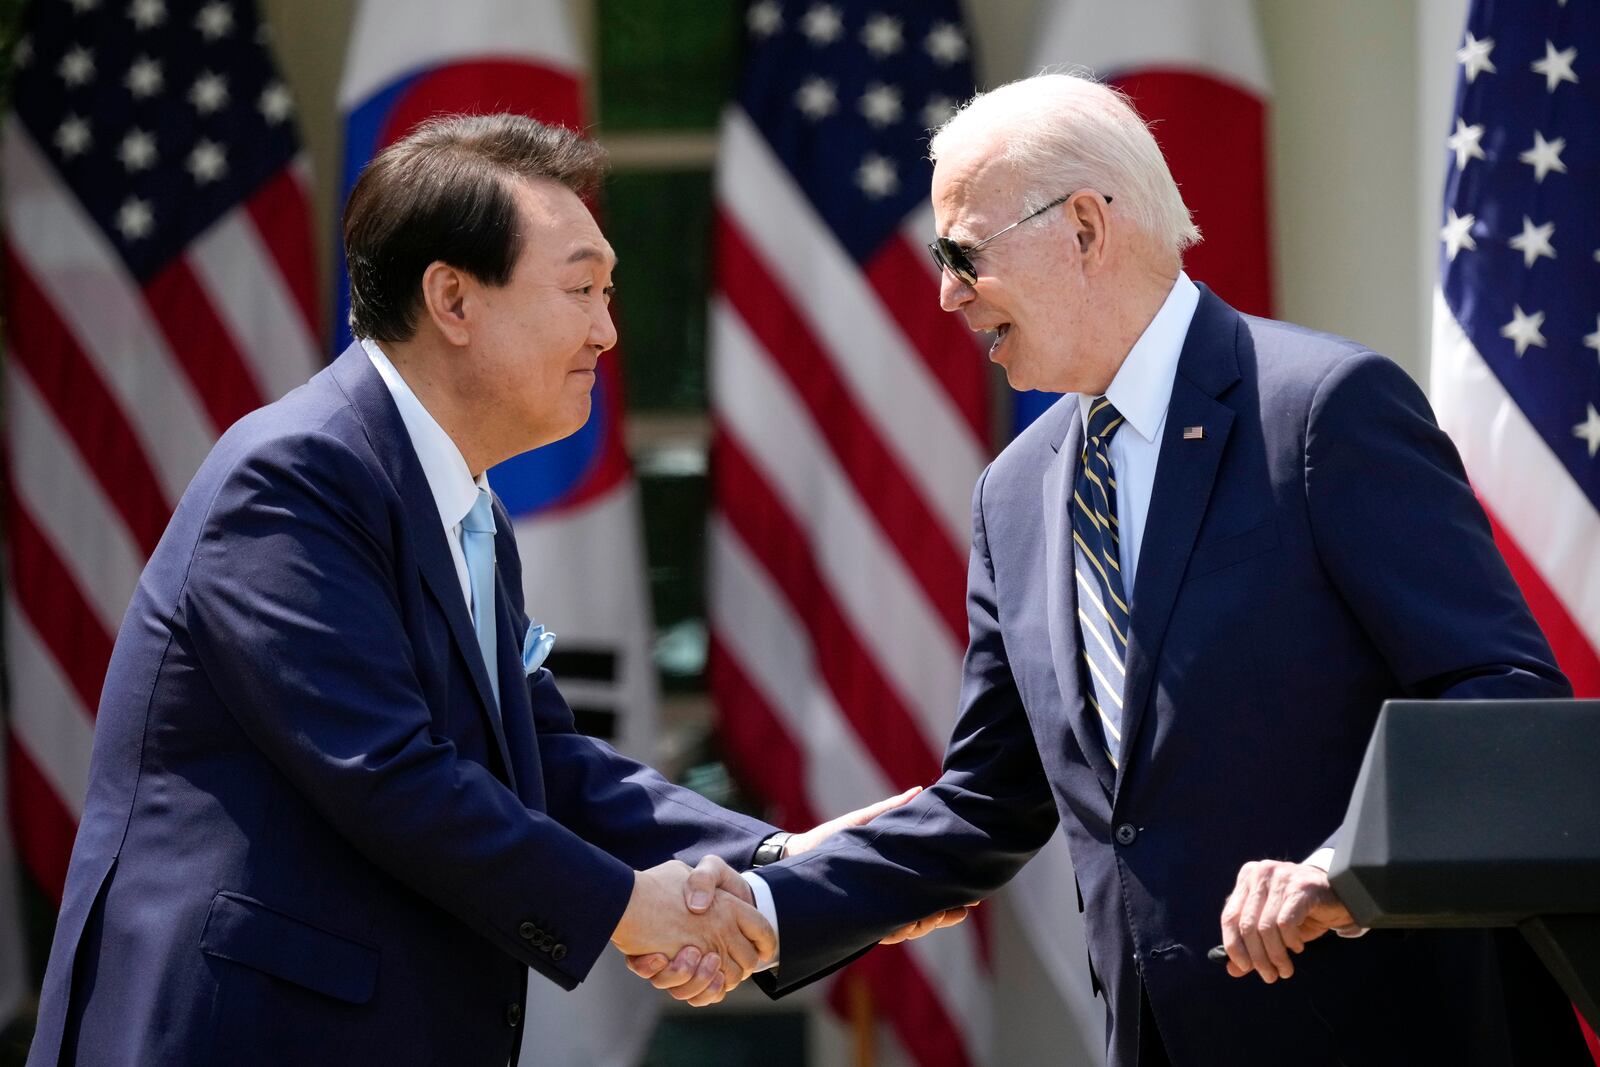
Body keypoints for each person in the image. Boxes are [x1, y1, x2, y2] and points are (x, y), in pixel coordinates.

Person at [634, 74, 1590, 1065]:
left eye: (963, 253)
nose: (946, 292)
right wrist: (765, 902)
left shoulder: (1318, 412)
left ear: (1085, 226)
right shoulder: (1014, 495)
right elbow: (985, 804)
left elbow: (1497, 698)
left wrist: (1343, 869)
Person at [26, 114, 940, 1067]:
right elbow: (389, 771)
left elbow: (543, 759)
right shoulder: (295, 474)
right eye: (581, 288)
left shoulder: (464, 506)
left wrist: (776, 862)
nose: (608, 330)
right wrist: (632, 909)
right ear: (453, 300)